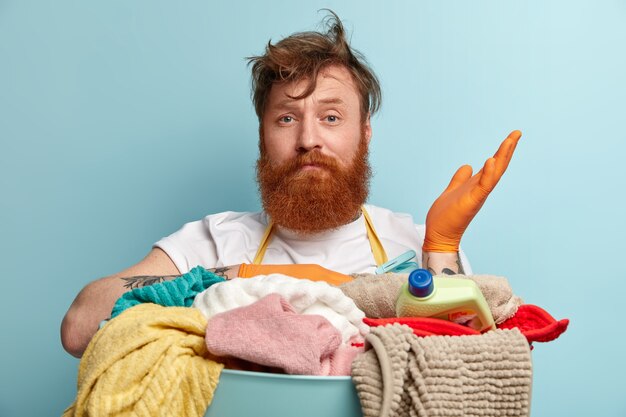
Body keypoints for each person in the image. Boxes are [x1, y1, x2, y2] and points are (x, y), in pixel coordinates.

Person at [60, 12, 520, 358]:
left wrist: (441, 246)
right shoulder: (214, 241)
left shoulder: (416, 245)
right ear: (263, 135)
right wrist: (244, 276)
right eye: (286, 118)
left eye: (331, 117)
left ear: (364, 133)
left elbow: (463, 363)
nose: (308, 140)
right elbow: (80, 327)